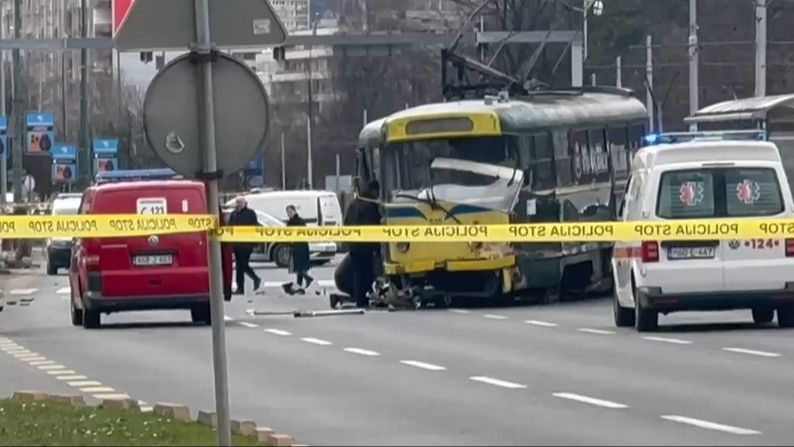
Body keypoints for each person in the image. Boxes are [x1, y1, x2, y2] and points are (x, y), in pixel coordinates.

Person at [344, 180, 382, 308]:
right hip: (365, 246)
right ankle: (362, 299)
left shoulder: (354, 204)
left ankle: (360, 298)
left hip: (354, 245)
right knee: (367, 273)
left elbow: (346, 223)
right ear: (374, 190)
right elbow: (375, 226)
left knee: (358, 273)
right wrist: (377, 247)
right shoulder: (370, 206)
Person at [228, 196, 261, 295]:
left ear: (245, 203)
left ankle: (242, 287)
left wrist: (255, 243)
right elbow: (230, 227)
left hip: (246, 244)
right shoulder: (234, 214)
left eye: (240, 202)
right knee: (242, 266)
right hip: (236, 243)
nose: (239, 204)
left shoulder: (250, 213)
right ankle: (254, 279)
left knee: (241, 267)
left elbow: (255, 227)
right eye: (237, 202)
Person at [282, 205, 314, 294]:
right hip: (298, 245)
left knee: (299, 267)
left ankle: (304, 282)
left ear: (294, 211)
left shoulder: (298, 221)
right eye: (287, 212)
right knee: (298, 268)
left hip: (299, 245)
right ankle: (302, 284)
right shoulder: (292, 221)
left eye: (290, 211)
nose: (289, 214)